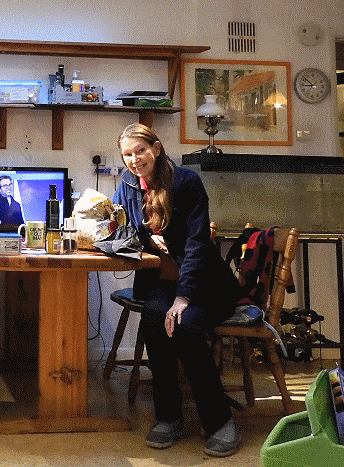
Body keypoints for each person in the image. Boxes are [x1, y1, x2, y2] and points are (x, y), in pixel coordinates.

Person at [112, 123, 242, 458]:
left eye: (140, 150)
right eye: (127, 154)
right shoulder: (127, 185)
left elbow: (198, 243)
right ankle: (169, 417)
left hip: (206, 283)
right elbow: (119, 226)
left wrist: (184, 298)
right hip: (161, 282)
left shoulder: (186, 181)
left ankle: (220, 421)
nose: (134, 159)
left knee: (185, 328)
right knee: (154, 320)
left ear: (155, 148)